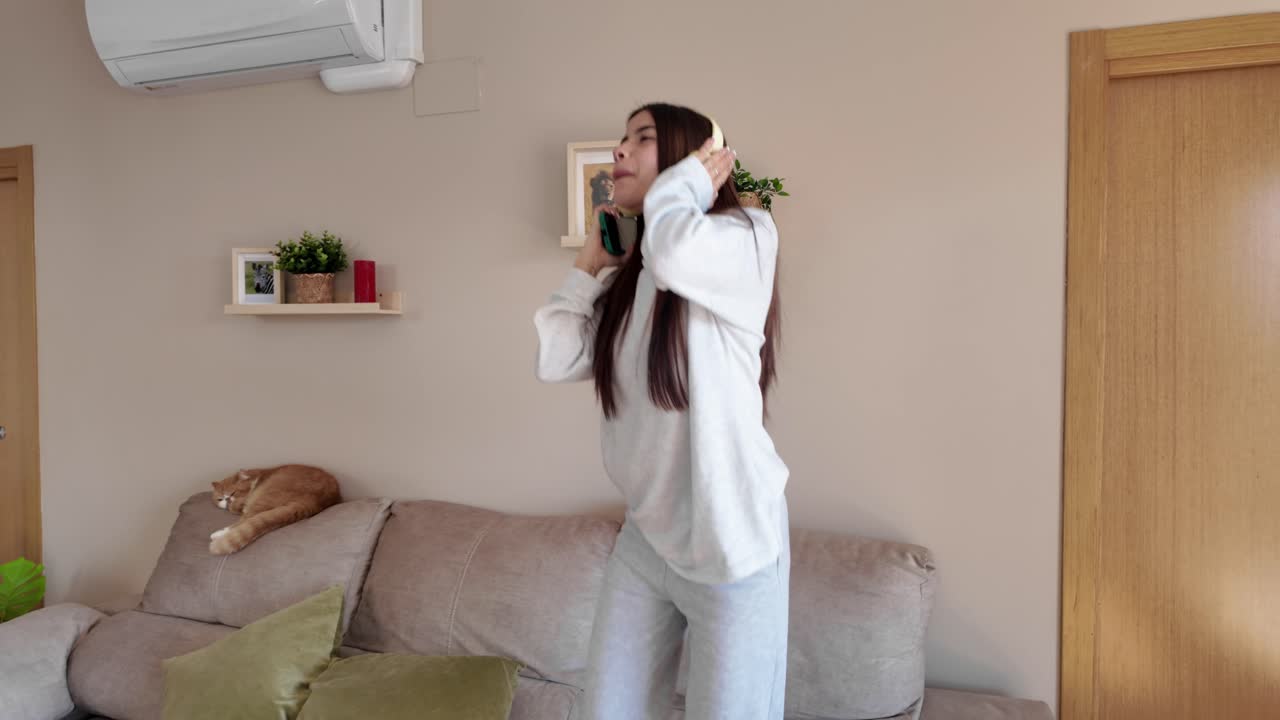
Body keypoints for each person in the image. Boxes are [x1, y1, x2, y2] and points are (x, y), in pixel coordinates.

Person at [534, 102, 788, 719]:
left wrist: (695, 182)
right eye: (621, 140)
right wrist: (590, 266)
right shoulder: (637, 277)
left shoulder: (747, 237)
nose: (617, 152)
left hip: (733, 540)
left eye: (640, 139)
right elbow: (558, 358)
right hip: (648, 542)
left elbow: (674, 251)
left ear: (692, 158)